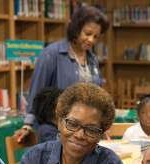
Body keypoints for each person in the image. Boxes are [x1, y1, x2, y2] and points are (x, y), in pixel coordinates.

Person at [15, 4, 109, 143]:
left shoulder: (92, 58)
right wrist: (27, 124)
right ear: (76, 28)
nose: (91, 40)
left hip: (84, 132)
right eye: (87, 34)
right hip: (56, 132)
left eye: (96, 36)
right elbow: (37, 93)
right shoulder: (51, 54)